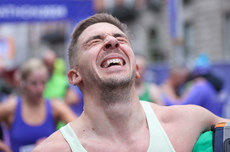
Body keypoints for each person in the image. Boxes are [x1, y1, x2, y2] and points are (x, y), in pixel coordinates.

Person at [32, 13, 229, 152]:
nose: (112, 41)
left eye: (120, 38)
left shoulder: (189, 122)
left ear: (135, 69)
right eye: (94, 41)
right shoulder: (55, 149)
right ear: (75, 76)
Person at [0, 58, 76, 152]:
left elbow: (80, 131)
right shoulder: (11, 107)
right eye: (34, 83)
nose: (39, 89)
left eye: (43, 83)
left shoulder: (55, 107)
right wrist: (4, 148)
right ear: (23, 83)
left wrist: (54, 143)